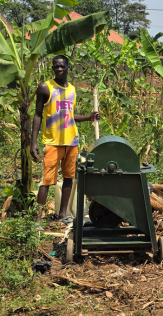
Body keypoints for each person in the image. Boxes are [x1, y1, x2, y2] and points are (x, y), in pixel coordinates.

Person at [31, 55, 100, 227]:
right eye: (55, 66)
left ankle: (62, 214)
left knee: (69, 177)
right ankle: (37, 220)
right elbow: (38, 115)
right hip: (53, 141)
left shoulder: (72, 89)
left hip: (71, 141)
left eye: (61, 66)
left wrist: (88, 117)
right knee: (47, 180)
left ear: (68, 67)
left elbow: (69, 115)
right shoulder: (45, 88)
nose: (58, 69)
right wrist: (33, 142)